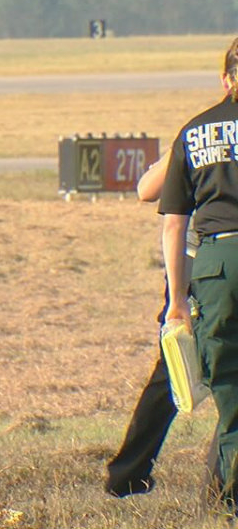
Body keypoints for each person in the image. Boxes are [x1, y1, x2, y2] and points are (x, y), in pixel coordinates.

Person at [159, 37, 238, 512]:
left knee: (229, 387)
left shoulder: (192, 133)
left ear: (226, 78)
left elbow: (174, 223)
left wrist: (177, 298)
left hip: (215, 265)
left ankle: (231, 503)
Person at [105, 150, 191, 497]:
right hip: (203, 265)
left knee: (170, 371)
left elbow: (146, 189)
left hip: (191, 265)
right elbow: (147, 190)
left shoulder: (196, 131)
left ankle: (128, 471)